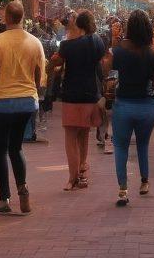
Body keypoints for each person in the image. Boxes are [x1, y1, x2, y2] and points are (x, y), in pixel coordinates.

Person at [0, 0, 44, 216]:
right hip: (27, 100)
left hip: (1, 101)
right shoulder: (35, 42)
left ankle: (4, 198)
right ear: (22, 16)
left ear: (6, 18)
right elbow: (40, 76)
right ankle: (22, 187)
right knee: (16, 147)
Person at [105, 9, 154, 205]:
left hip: (124, 105)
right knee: (143, 144)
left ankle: (122, 190)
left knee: (120, 146)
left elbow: (108, 73)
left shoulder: (119, 51)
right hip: (147, 106)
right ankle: (144, 181)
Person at [49, 10, 105, 191]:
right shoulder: (98, 42)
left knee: (70, 136)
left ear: (78, 25)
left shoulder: (67, 45)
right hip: (90, 93)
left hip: (72, 94)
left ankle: (72, 177)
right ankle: (82, 169)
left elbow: (56, 62)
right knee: (84, 134)